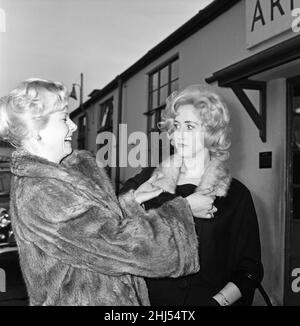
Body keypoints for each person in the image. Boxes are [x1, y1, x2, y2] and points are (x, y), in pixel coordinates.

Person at [0, 79, 214, 306]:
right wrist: (184, 211)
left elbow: (88, 231)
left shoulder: (58, 178)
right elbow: (121, 245)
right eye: (64, 118)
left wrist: (133, 200)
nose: (73, 126)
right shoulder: (41, 192)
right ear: (37, 133)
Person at [121, 84, 264, 306]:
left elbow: (249, 271)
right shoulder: (149, 179)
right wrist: (181, 207)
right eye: (176, 126)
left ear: (210, 132)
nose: (179, 135)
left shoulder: (236, 195)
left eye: (189, 126)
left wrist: (217, 303)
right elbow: (107, 222)